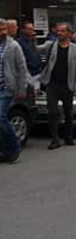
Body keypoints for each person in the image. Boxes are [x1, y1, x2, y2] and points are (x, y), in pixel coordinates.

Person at [40, 22, 76, 150]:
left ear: (69, 33)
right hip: (52, 84)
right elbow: (36, 49)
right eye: (58, 31)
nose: (60, 33)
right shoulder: (51, 45)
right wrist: (30, 39)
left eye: (63, 31)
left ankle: (68, 137)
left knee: (68, 113)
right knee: (52, 112)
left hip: (67, 85)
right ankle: (55, 139)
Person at [0, 19, 28, 163]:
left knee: (1, 117)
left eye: (4, 29)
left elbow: (22, 68)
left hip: (7, 88)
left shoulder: (13, 46)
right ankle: (6, 150)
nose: (2, 32)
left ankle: (15, 145)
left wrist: (21, 88)